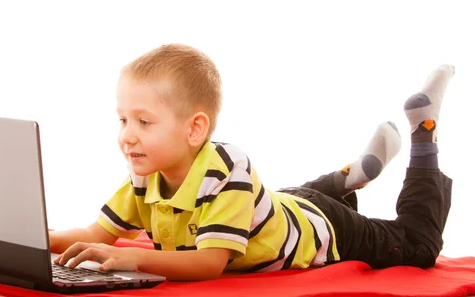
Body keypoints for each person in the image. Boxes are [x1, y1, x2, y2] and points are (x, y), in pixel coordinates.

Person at [49, 43, 454, 281]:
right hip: (284, 205)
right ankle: (348, 177)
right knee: (286, 200)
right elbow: (93, 233)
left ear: (194, 130)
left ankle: (424, 130)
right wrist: (36, 238)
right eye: (122, 120)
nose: (127, 135)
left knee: (417, 246)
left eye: (143, 121)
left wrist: (132, 256)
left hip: (326, 229)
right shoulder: (145, 175)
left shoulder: (227, 169)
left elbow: (209, 262)